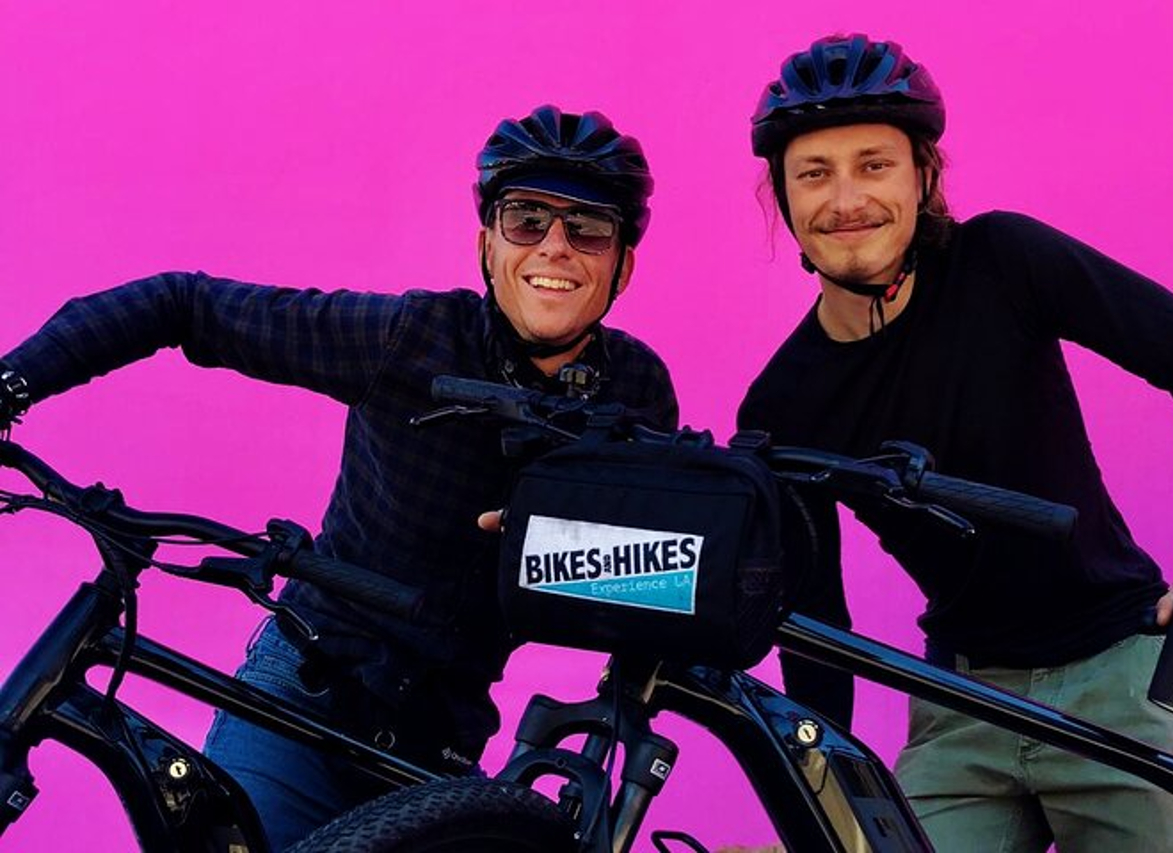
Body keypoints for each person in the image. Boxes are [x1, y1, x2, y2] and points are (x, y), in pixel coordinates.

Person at [0, 104, 678, 850]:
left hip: (440, 751)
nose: (555, 245)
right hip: (304, 693)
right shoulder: (409, 337)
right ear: (487, 243)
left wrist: (556, 544)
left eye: (588, 228)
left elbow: (654, 578)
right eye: (526, 219)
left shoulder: (637, 393)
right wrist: (11, 385)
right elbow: (182, 306)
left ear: (623, 264)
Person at [738, 34, 1173, 853]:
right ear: (781, 194)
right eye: (814, 172)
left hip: (1119, 673)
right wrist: (819, 791)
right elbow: (817, 617)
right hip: (960, 703)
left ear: (923, 177)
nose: (846, 198)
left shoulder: (1002, 262)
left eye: (874, 165)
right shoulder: (783, 402)